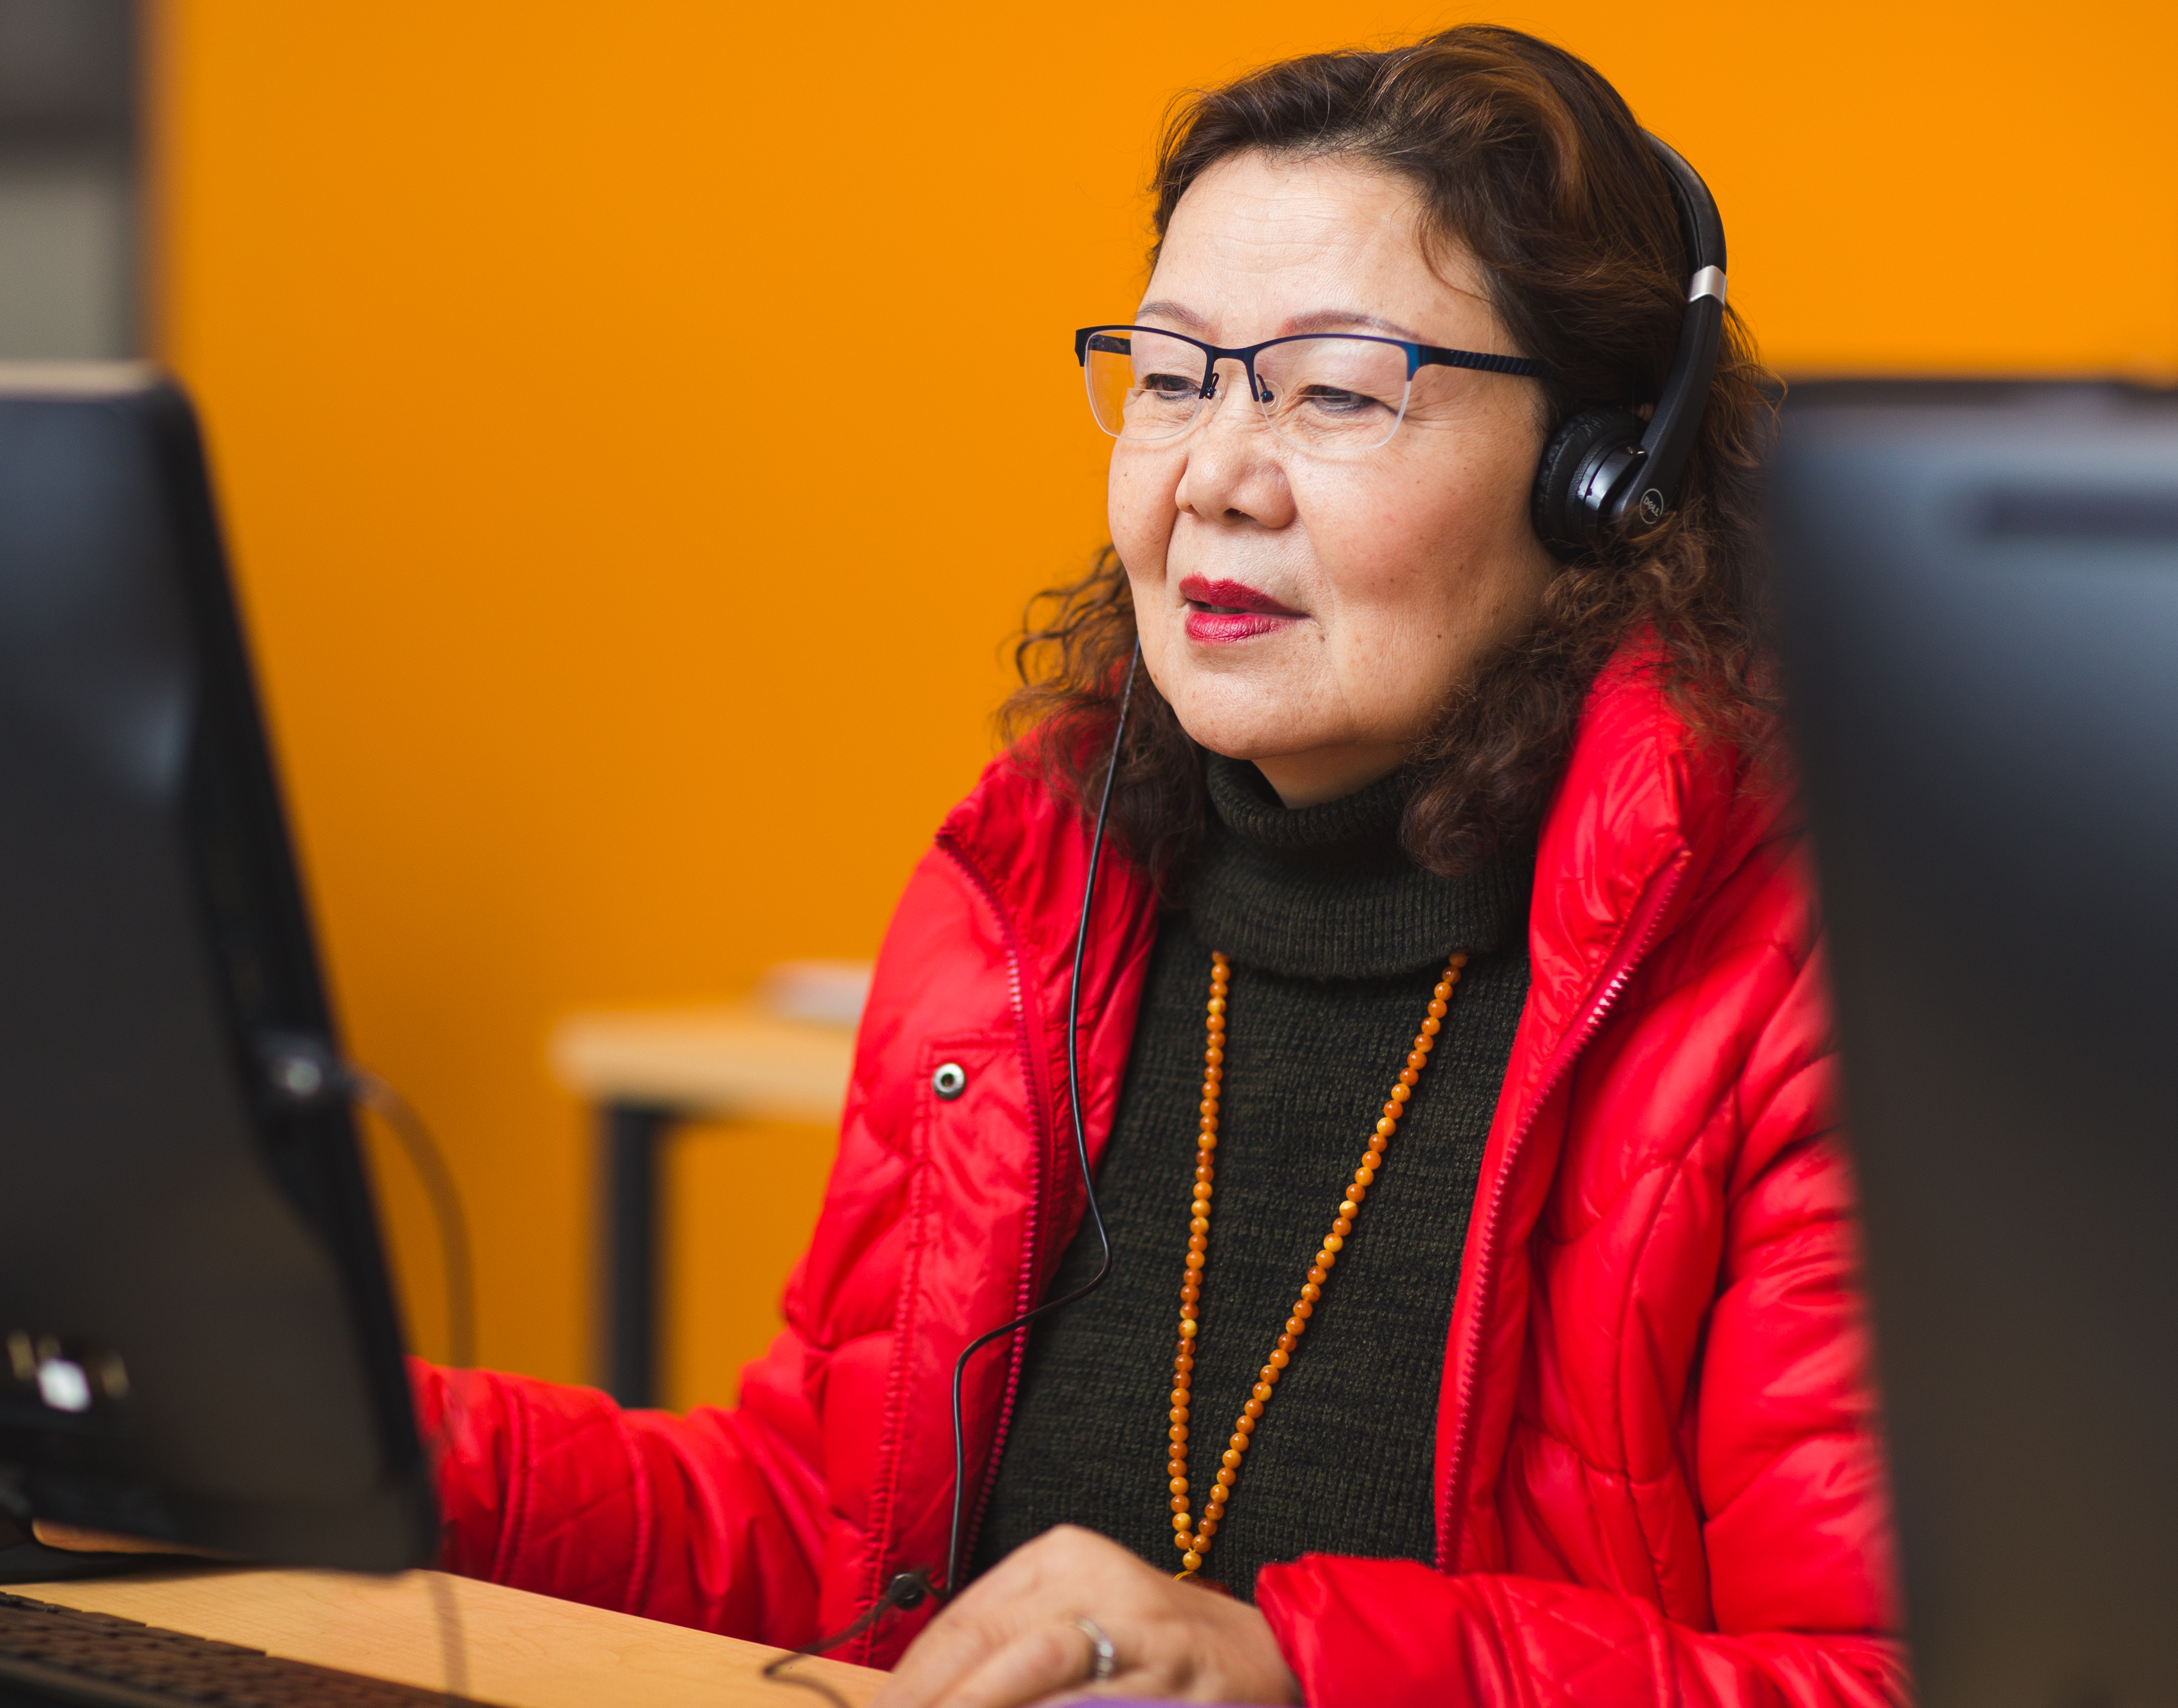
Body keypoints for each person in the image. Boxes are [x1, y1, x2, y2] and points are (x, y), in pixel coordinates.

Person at [406, 26, 1901, 1708]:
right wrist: (382, 1445)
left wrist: (1302, 1670)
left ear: (1598, 481)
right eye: (1176, 378)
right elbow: (833, 1546)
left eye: (1335, 392)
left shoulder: (1800, 986)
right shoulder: (1030, 890)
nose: (1211, 480)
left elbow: (1890, 1677)